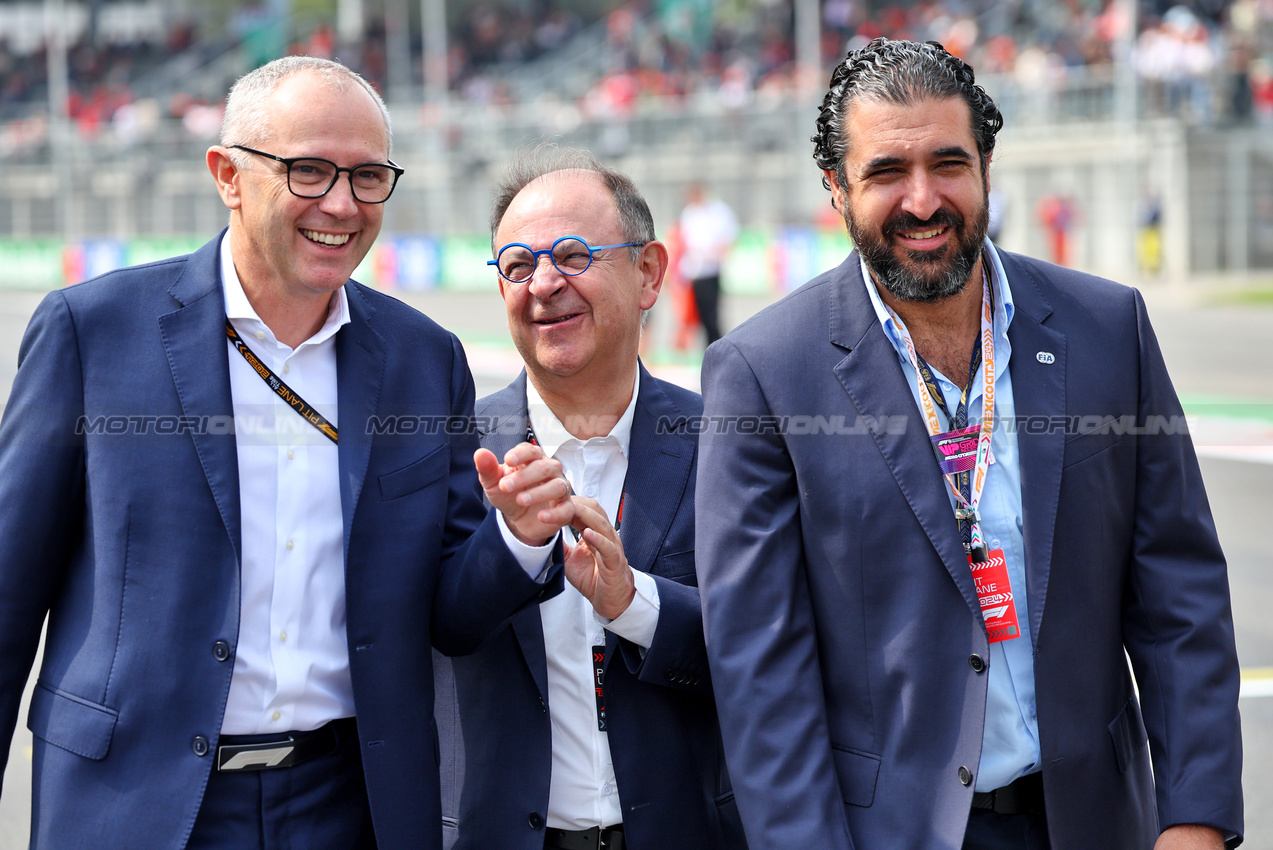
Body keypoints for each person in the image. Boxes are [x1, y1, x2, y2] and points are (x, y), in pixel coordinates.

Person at [0, 56, 575, 850]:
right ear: (227, 175)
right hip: (134, 802)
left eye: (368, 176)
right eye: (308, 171)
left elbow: (447, 611)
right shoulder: (91, 333)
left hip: (350, 803)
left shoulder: (422, 357)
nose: (341, 204)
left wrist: (516, 537)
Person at [695, 38, 1242, 850]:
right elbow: (760, 673)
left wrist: (1194, 820)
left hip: (1096, 824)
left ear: (986, 166)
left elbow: (1179, 597)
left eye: (947, 164)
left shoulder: (1106, 328)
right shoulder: (761, 373)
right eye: (885, 173)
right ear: (836, 189)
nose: (922, 201)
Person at [434, 149, 744, 850]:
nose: (543, 283)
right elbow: (434, 624)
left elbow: (765, 645)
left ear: (648, 273)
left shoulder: (729, 442)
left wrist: (632, 604)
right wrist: (514, 544)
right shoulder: (450, 451)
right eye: (517, 265)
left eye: (572, 255)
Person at [677, 182, 739, 346]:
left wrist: (715, 254)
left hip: (710, 271)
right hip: (694, 272)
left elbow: (729, 237)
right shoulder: (689, 213)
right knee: (698, 317)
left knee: (712, 316)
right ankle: (706, 348)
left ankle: (717, 346)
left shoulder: (718, 212)